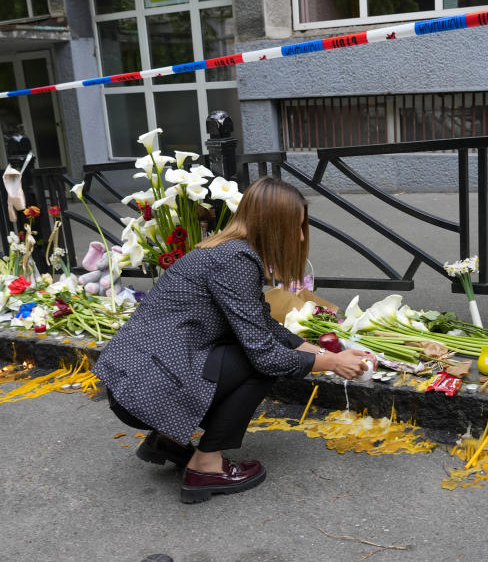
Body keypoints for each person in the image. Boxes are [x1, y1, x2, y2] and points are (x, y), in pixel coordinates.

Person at [93, 176, 371, 504]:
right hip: (148, 390)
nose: (299, 236)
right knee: (261, 365)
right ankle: (206, 467)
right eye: (294, 227)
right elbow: (265, 355)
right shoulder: (236, 259)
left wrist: (326, 352)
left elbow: (263, 325)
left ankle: (168, 439)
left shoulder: (225, 250)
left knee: (253, 352)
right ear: (272, 225)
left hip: (137, 382)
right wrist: (332, 363)